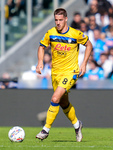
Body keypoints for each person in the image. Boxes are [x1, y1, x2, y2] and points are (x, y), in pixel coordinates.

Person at [35, 8, 92, 142]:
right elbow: (41, 46)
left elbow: (89, 45)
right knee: (63, 102)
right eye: (56, 20)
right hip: (55, 73)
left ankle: (46, 129)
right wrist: (40, 62)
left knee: (55, 98)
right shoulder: (51, 33)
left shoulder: (75, 34)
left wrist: (84, 63)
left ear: (66, 19)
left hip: (71, 72)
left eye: (60, 20)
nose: (58, 23)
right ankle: (77, 125)